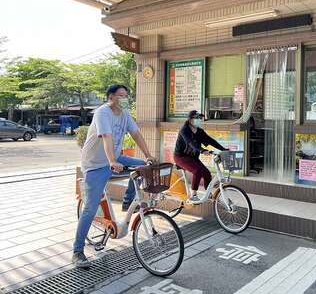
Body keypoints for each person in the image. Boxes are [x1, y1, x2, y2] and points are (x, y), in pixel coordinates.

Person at [72, 84, 156, 268]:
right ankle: (77, 251)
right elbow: (107, 137)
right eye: (121, 95)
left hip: (115, 158)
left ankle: (128, 201)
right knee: (91, 208)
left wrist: (148, 155)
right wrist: (111, 160)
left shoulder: (125, 114)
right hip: (95, 164)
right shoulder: (102, 113)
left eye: (126, 95)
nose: (125, 98)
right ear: (111, 97)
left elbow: (136, 134)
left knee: (144, 166)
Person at [173, 110, 227, 203]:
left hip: (193, 158)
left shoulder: (199, 131)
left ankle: (208, 194)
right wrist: (202, 150)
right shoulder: (184, 130)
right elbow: (191, 143)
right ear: (190, 120)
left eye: (200, 118)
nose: (199, 120)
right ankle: (193, 195)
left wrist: (223, 149)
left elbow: (210, 140)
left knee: (206, 173)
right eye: (197, 118)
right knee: (197, 170)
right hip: (180, 157)